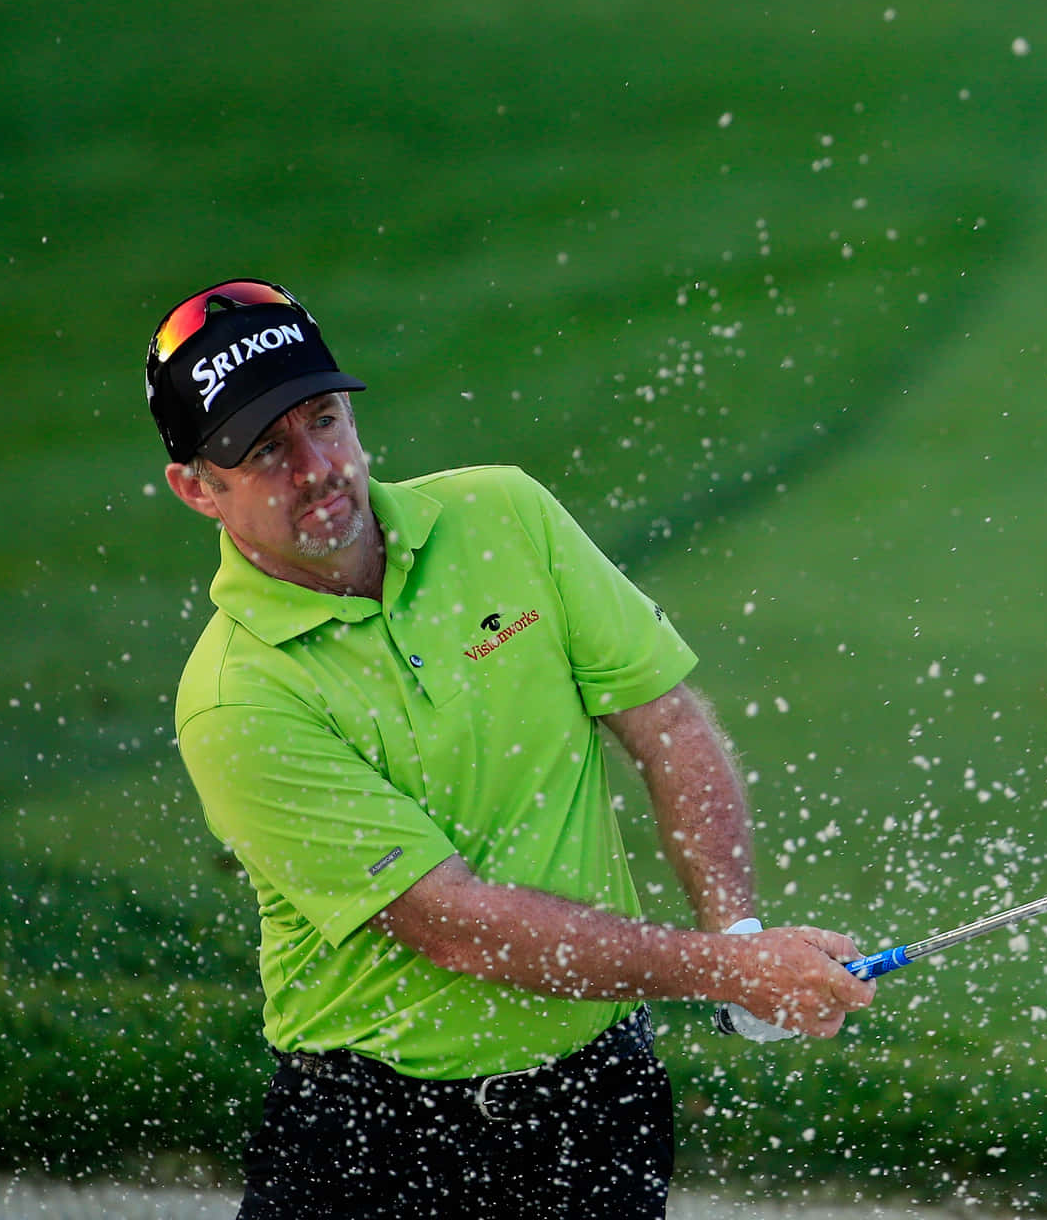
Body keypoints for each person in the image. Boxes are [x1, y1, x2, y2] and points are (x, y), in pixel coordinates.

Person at [145, 278, 875, 1218]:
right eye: (266, 452)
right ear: (198, 488)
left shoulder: (503, 515)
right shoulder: (237, 698)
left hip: (595, 1108)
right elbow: (451, 922)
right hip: (375, 1146)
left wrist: (734, 927)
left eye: (324, 420)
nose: (318, 467)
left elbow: (668, 723)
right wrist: (725, 969)